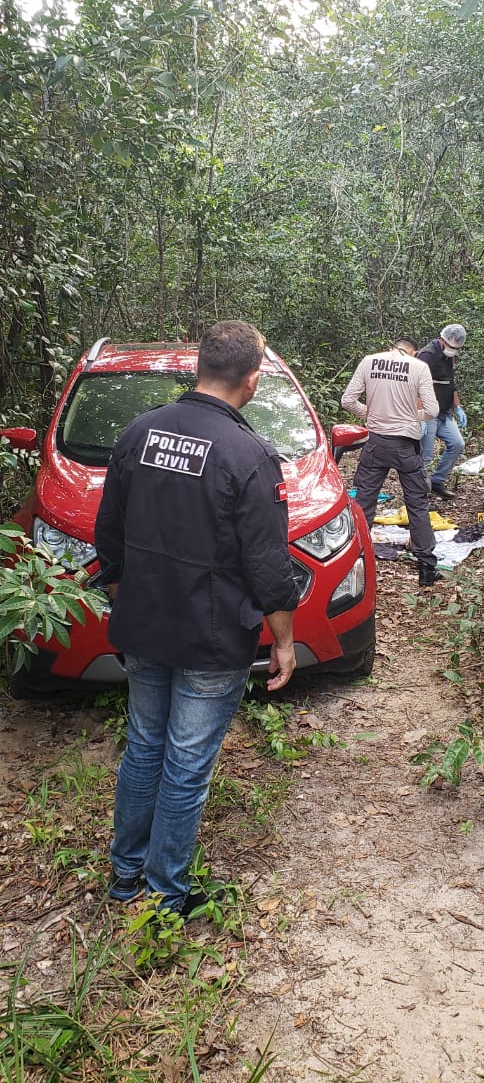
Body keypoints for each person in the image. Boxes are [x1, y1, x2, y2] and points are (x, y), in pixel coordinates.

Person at [95, 320, 299, 918]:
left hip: (145, 625)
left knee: (144, 748)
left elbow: (110, 534)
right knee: (184, 767)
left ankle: (125, 874)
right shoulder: (250, 454)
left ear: (199, 366)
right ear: (253, 380)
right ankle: (164, 897)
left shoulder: (140, 431)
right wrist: (283, 641)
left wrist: (124, 595)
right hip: (211, 638)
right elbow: (267, 563)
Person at [341, 336, 441, 587]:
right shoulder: (419, 367)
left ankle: (354, 565)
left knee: (364, 502)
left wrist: (371, 413)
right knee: (417, 503)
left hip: (375, 443)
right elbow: (433, 411)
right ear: (414, 352)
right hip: (405, 445)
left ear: (392, 347)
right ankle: (426, 568)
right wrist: (413, 415)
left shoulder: (369, 362)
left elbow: (347, 400)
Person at [417, 323, 468, 500]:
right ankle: (418, 490)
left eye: (456, 348)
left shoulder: (448, 357)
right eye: (451, 347)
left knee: (457, 443)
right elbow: (415, 385)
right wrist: (420, 415)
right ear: (442, 340)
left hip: (444, 412)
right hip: (428, 411)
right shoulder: (427, 355)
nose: (453, 350)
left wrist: (458, 407)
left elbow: (451, 384)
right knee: (426, 454)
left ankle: (437, 481)